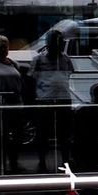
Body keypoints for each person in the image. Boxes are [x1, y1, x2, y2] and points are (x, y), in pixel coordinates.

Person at [28, 28, 74, 172]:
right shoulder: (38, 59)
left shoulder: (66, 59)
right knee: (43, 133)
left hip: (63, 99)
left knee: (64, 134)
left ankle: (66, 160)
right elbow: (31, 80)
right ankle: (42, 161)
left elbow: (70, 74)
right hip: (45, 100)